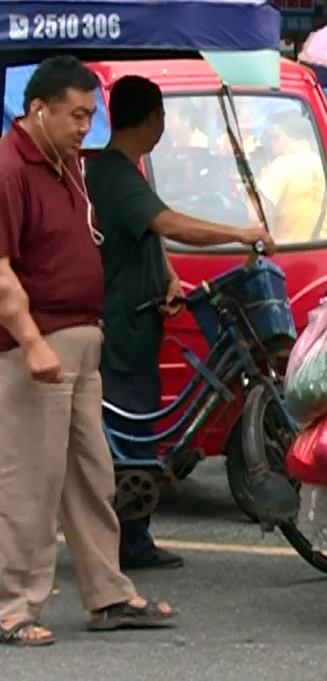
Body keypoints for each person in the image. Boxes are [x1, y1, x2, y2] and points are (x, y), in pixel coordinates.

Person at [0, 55, 176, 647]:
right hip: (37, 347)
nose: (85, 126)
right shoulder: (9, 168)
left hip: (82, 341)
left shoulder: (68, 165)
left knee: (93, 476)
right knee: (31, 482)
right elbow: (1, 272)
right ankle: (13, 607)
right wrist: (29, 342)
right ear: (37, 110)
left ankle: (107, 594)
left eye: (89, 114)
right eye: (76, 115)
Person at [85, 75, 274, 571]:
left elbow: (150, 235)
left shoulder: (129, 172)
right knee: (130, 438)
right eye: (162, 117)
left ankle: (133, 538)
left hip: (143, 319)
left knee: (140, 431)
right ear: (152, 120)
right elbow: (169, 224)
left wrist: (169, 278)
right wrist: (240, 234)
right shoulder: (115, 174)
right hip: (122, 328)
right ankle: (128, 542)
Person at [257, 111, 327, 244]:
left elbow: (255, 214)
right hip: (320, 252)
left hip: (286, 254)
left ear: (281, 136)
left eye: (272, 139)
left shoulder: (282, 165)